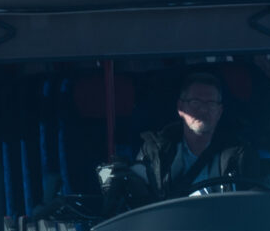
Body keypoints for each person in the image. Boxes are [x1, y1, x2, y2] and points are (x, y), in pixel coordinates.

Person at [101, 71, 259, 208]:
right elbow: (140, 204)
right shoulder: (155, 151)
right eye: (195, 102)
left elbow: (254, 206)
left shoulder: (240, 155)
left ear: (219, 111)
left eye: (211, 103)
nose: (203, 109)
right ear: (181, 108)